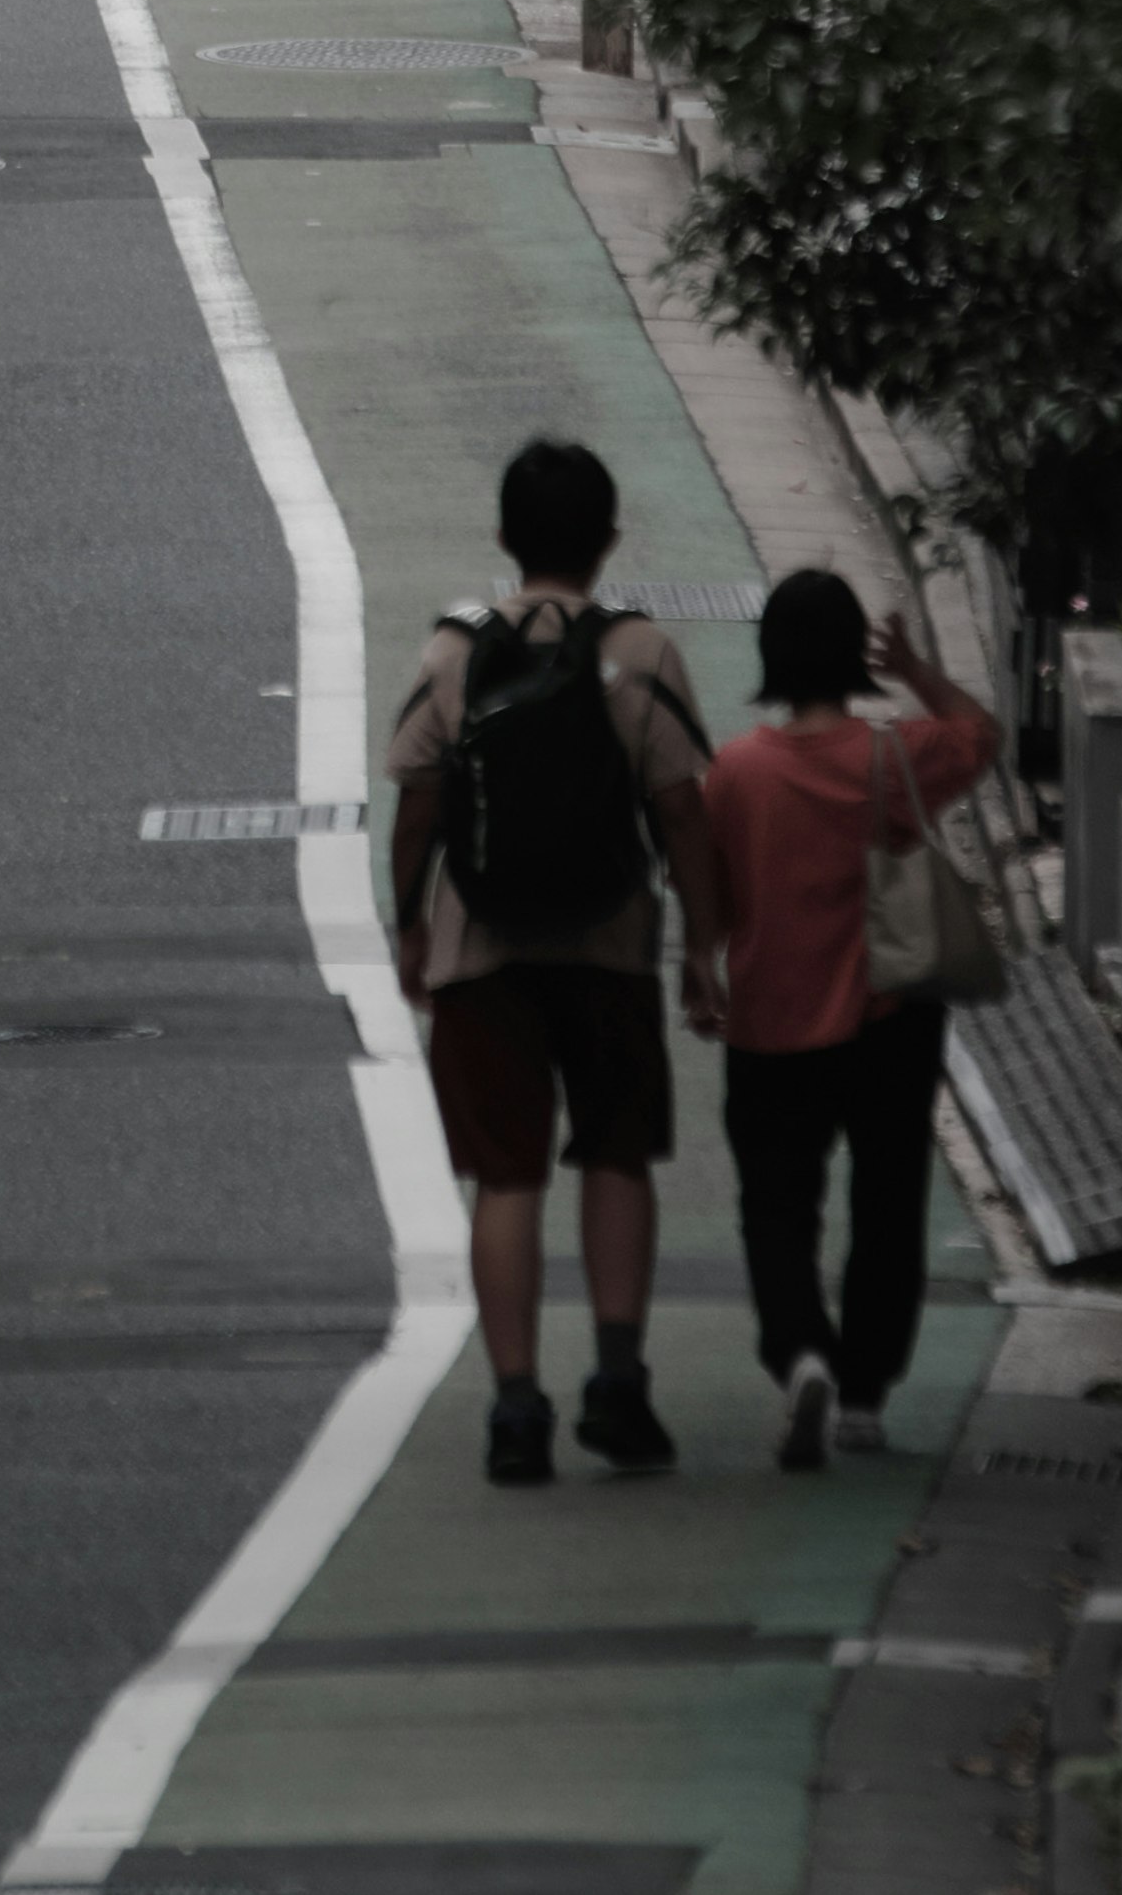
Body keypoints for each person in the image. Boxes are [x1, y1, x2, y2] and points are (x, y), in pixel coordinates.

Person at [388, 437, 725, 1487]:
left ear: (504, 537)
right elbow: (681, 811)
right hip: (611, 938)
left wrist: (409, 923)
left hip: (480, 947)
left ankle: (517, 1401)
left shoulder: (454, 650)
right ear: (610, 540)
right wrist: (703, 948)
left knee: (507, 1171)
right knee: (616, 1153)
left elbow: (419, 804)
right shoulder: (643, 653)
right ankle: (618, 1382)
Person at [699, 571, 1001, 1470]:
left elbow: (713, 899)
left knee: (777, 1206)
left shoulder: (736, 773)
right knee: (887, 1201)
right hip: (889, 1018)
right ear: (851, 661)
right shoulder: (895, 760)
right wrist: (916, 668)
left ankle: (799, 1353)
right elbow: (983, 733)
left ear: (770, 657)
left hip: (772, 1021)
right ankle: (866, 1394)